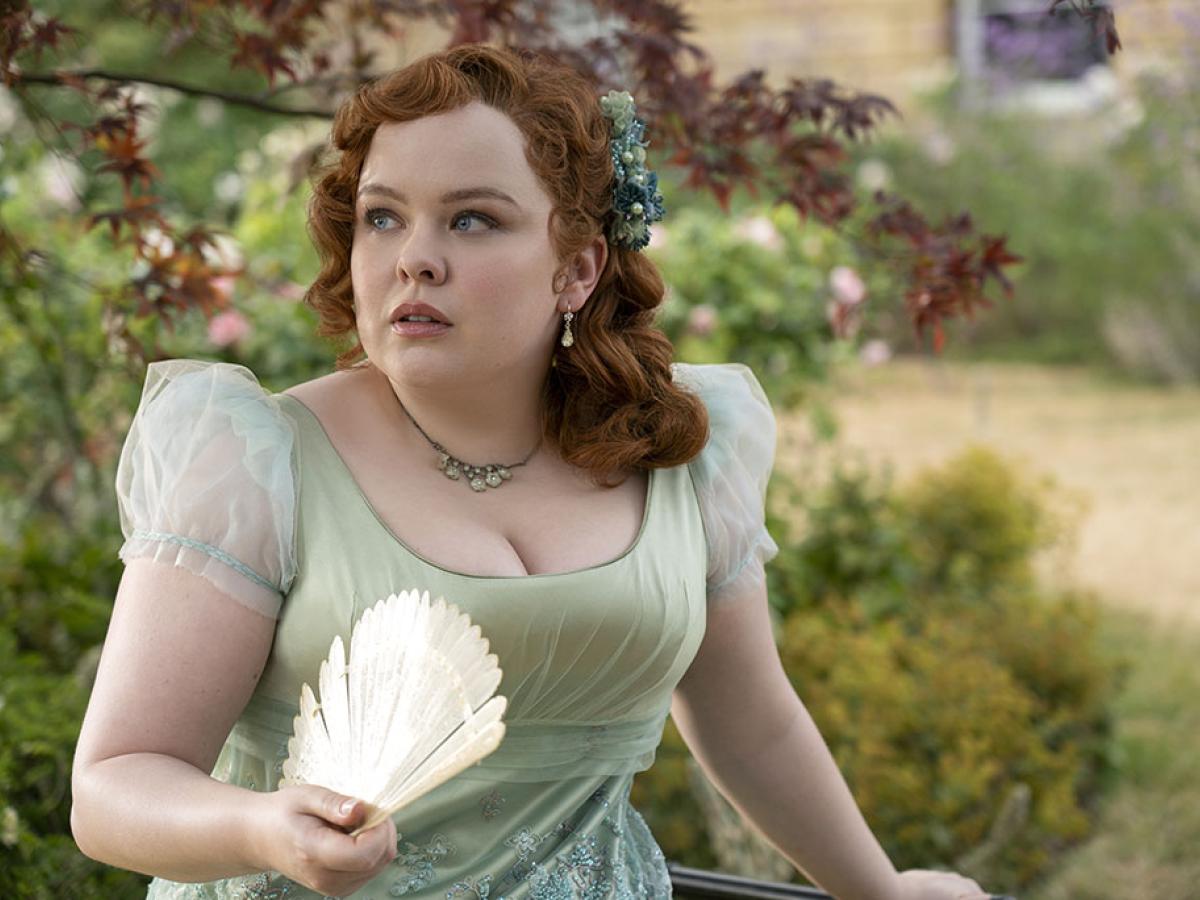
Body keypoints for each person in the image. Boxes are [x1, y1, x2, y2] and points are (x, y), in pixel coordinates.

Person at [70, 43, 994, 900]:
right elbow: (114, 788)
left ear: (577, 268)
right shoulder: (256, 460)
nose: (414, 260)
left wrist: (881, 892)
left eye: (473, 219)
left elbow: (754, 729)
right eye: (383, 217)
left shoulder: (675, 453)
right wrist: (260, 827)